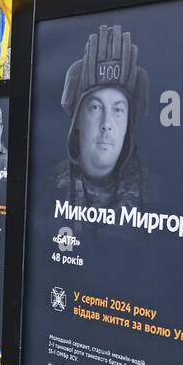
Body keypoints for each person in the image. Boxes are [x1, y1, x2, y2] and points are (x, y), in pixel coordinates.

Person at [52, 24, 149, 220]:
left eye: (118, 109)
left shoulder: (152, 193)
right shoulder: (48, 187)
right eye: (95, 107)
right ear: (78, 119)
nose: (107, 123)